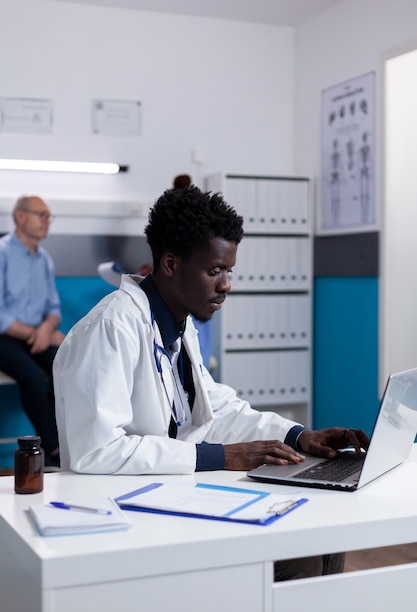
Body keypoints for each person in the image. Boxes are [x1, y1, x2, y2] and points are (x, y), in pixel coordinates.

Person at [53, 186, 369, 579]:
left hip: (170, 495)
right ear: (170, 264)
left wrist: (298, 436)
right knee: (296, 553)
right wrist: (221, 456)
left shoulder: (176, 325)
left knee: (323, 534)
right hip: (122, 514)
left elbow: (214, 407)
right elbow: (96, 451)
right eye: (214, 271)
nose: (226, 285)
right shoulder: (111, 329)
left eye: (229, 271)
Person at [0, 196, 63, 467]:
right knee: (31, 377)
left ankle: (68, 440)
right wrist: (35, 334)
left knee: (65, 368)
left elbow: (53, 308)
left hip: (35, 335)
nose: (47, 221)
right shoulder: (2, 252)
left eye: (50, 216)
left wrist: (47, 329)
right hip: (6, 336)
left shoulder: (44, 260)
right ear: (21, 217)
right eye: (42, 215)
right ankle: (53, 450)